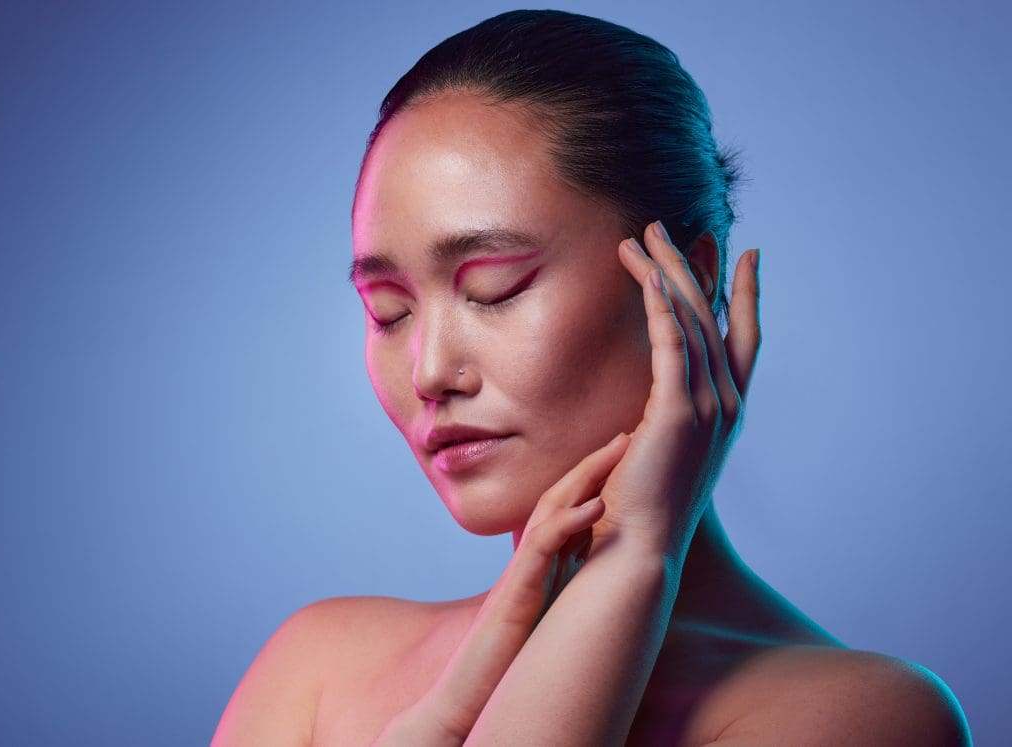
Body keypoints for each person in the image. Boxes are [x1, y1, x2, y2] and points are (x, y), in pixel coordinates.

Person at [212, 9, 971, 746]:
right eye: (388, 310)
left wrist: (634, 551)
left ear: (684, 281)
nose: (430, 370)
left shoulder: (859, 716)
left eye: (493, 289)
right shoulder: (316, 667)